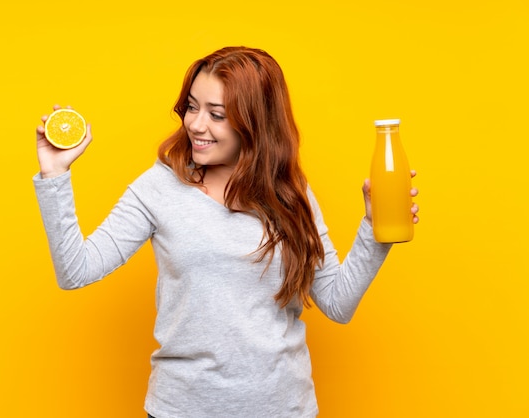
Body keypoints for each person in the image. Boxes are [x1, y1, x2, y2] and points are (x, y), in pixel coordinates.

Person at [33, 46, 419, 418]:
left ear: (256, 123)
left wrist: (375, 230)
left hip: (284, 408)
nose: (196, 124)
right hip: (181, 408)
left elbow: (336, 303)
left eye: (217, 114)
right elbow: (75, 271)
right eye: (192, 106)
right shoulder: (158, 188)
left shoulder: (289, 193)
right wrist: (55, 174)